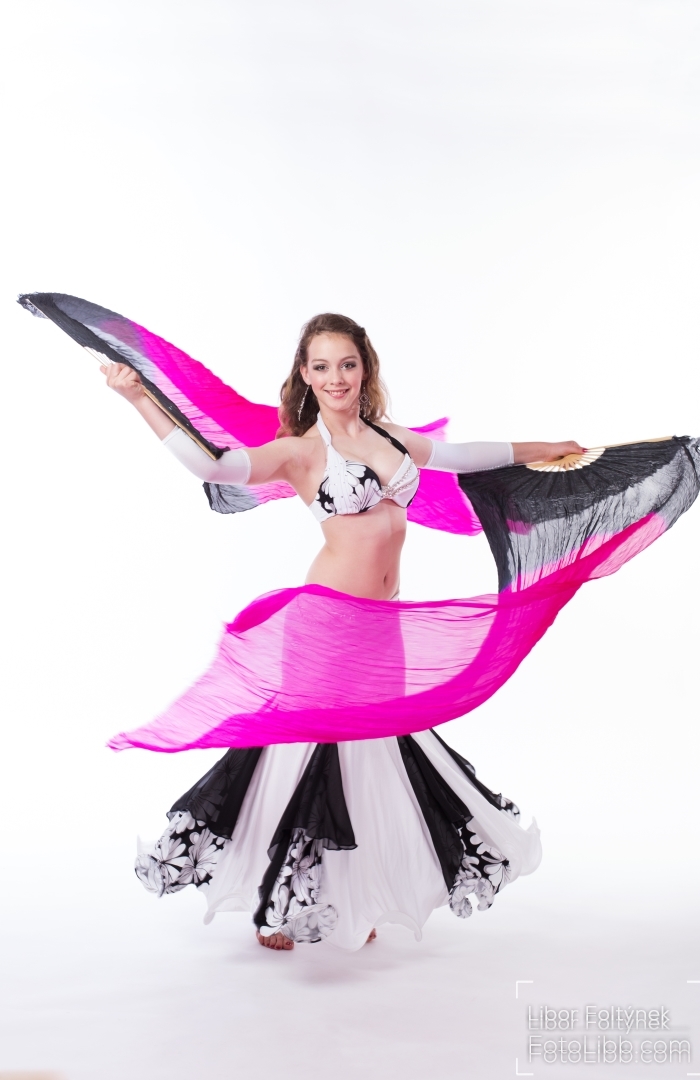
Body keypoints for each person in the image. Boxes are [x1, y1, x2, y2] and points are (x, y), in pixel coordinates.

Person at [103, 313, 582, 953]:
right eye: (323, 366)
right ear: (305, 374)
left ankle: (355, 897)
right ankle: (276, 904)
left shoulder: (389, 437)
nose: (336, 378)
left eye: (347, 364)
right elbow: (214, 467)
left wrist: (545, 447)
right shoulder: (302, 451)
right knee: (304, 755)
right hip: (328, 625)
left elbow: (466, 456)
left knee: (370, 758)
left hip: (383, 625)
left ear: (364, 369)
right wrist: (139, 398)